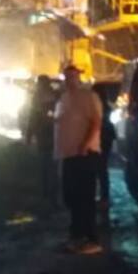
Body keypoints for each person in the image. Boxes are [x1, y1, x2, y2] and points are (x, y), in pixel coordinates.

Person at [54, 64, 103, 254]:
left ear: (79, 78)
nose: (69, 80)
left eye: (73, 77)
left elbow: (96, 122)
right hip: (68, 155)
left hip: (84, 155)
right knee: (71, 197)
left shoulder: (87, 97)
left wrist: (85, 144)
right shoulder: (65, 98)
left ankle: (91, 239)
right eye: (66, 77)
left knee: (85, 198)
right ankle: (76, 236)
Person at [26, 75, 59, 204]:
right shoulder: (53, 96)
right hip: (48, 135)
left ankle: (48, 193)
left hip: (48, 134)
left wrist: (29, 135)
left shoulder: (42, 97)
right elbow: (33, 117)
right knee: (48, 164)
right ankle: (49, 192)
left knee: (47, 164)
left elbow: (33, 117)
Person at [94, 84, 117, 211]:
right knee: (102, 168)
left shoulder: (99, 106)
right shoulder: (105, 105)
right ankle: (104, 197)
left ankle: (104, 198)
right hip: (106, 137)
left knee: (101, 168)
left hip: (102, 138)